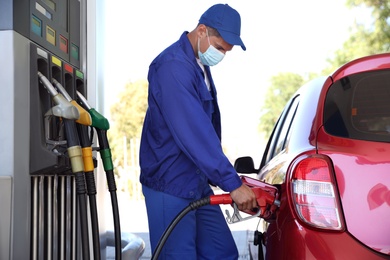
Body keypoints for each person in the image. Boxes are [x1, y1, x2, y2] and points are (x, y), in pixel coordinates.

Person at [139, 3, 257, 259]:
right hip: (169, 183)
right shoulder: (172, 67)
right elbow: (194, 131)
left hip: (196, 183)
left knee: (221, 253)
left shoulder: (200, 66)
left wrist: (220, 177)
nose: (222, 55)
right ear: (201, 30)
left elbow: (209, 126)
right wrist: (231, 182)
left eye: (227, 51)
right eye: (220, 47)